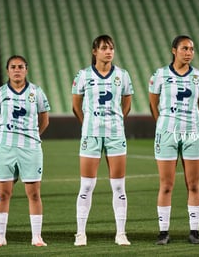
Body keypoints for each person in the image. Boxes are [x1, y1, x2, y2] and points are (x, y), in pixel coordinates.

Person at [72, 35, 134, 246]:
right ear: (94, 51)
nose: (109, 52)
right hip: (91, 134)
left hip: (116, 134)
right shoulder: (83, 75)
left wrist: (114, 120)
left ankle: (121, 233)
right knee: (87, 185)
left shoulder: (123, 75)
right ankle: (80, 233)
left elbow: (127, 104)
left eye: (111, 48)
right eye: (104, 48)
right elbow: (76, 105)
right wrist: (88, 123)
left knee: (118, 186)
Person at [148, 35, 199, 245]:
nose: (189, 53)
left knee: (193, 184)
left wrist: (191, 122)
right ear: (174, 50)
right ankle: (163, 232)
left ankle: (194, 231)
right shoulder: (160, 75)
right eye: (184, 48)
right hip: (167, 133)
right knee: (166, 184)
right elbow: (153, 104)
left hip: (192, 133)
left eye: (191, 49)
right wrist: (164, 124)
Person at [0, 55, 50, 247]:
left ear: (26, 69)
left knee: (33, 193)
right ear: (8, 70)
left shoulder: (36, 92)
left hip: (31, 147)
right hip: (6, 147)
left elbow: (44, 119)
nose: (17, 70)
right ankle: (0, 236)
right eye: (13, 67)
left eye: (21, 67)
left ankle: (37, 236)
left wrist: (32, 135)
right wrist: (7, 135)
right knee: (4, 193)